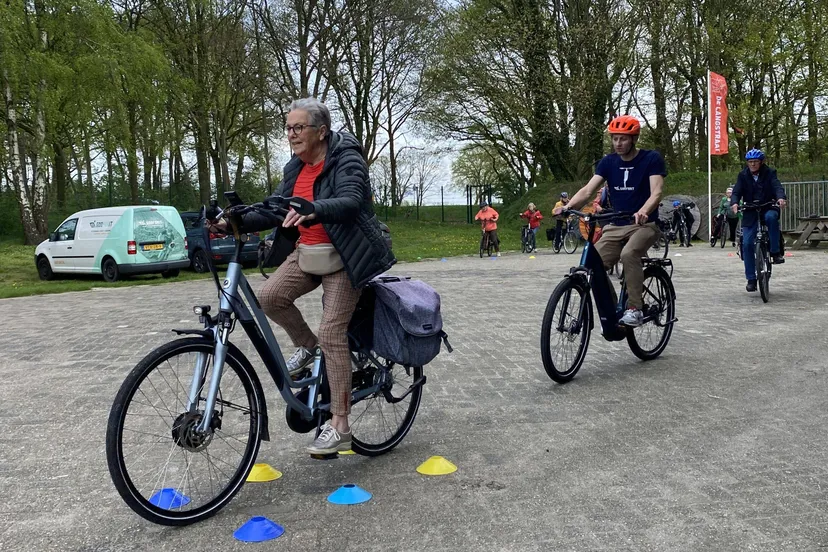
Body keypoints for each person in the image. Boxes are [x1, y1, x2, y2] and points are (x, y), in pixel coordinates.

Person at [211, 97, 395, 455]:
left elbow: (352, 200)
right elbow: (277, 208)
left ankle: (340, 424)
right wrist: (232, 221)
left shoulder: (347, 157)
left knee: (332, 332)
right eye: (289, 129)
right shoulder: (295, 167)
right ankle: (308, 348)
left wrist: (314, 209)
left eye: (298, 128)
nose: (292, 135)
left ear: (321, 131)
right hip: (308, 252)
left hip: (345, 255)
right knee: (269, 297)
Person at [553, 114, 665, 327]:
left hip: (645, 224)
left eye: (623, 138)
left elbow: (656, 193)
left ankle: (635, 308)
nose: (618, 143)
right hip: (616, 224)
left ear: (634, 139)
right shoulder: (608, 162)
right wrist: (568, 207)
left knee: (628, 254)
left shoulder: (651, 159)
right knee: (593, 265)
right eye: (614, 139)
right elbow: (587, 190)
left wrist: (643, 211)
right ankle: (614, 310)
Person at [730, 148, 787, 292]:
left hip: (767, 206)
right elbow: (736, 191)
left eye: (755, 162)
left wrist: (780, 198)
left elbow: (777, 186)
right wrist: (735, 202)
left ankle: (775, 252)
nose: (753, 164)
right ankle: (751, 278)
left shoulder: (769, 173)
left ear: (761, 162)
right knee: (747, 243)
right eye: (750, 162)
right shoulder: (743, 175)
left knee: (771, 217)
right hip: (750, 209)